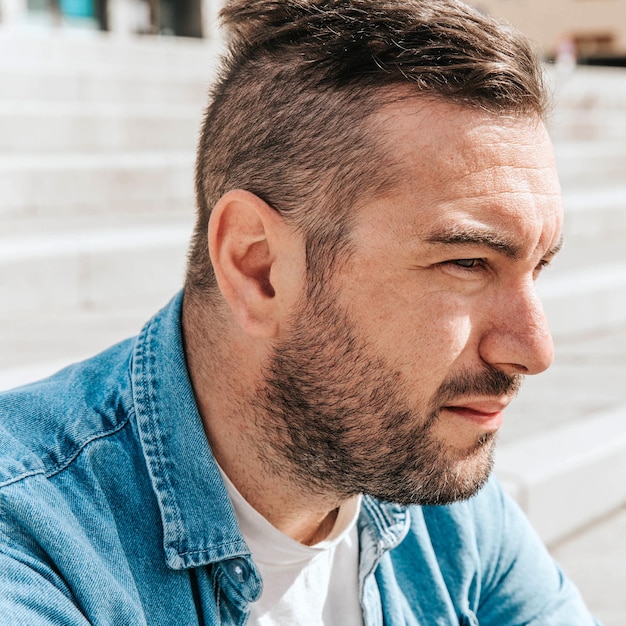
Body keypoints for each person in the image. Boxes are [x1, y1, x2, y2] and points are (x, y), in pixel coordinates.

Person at [0, 1, 600, 624]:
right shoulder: (30, 539)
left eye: (538, 268)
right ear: (259, 268)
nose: (534, 348)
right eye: (467, 263)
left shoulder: (436, 489)